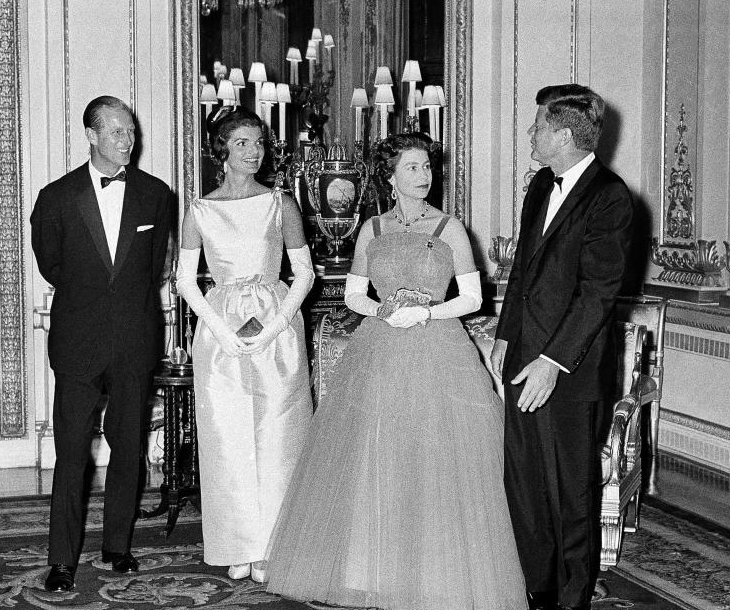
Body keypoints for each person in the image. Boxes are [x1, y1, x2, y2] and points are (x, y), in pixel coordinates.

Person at [264, 132, 528, 610]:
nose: (423, 176)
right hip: (380, 350)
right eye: (412, 167)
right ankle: (372, 570)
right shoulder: (372, 229)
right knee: (376, 454)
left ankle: (439, 572)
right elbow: (353, 294)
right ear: (390, 177)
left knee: (435, 458)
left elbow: (472, 298)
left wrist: (426, 312)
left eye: (427, 167)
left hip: (439, 353)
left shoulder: (450, 228)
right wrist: (383, 311)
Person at [490, 84, 634, 610]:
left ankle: (572, 600)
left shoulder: (610, 197)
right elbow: (524, 268)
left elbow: (598, 294)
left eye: (538, 128)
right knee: (525, 486)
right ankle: (539, 590)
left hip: (569, 371)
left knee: (571, 492)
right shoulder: (537, 188)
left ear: (565, 136)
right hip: (523, 358)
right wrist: (507, 335)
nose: (531, 134)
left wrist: (553, 361)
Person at [30, 95, 174, 592]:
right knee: (71, 452)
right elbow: (52, 264)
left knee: (128, 447)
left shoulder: (157, 195)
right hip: (77, 343)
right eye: (117, 132)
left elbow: (153, 264)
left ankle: (117, 547)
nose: (128, 141)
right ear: (92, 135)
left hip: (134, 340)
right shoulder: (56, 197)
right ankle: (62, 560)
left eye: (131, 131)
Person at [174, 108, 314, 583]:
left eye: (258, 142)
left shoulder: (281, 203)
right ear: (222, 151)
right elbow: (186, 281)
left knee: (278, 437)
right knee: (228, 439)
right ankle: (238, 542)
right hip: (221, 335)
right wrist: (223, 331)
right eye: (242, 143)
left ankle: (273, 545)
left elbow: (305, 273)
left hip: (277, 329)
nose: (253, 152)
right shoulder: (201, 210)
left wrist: (272, 328)